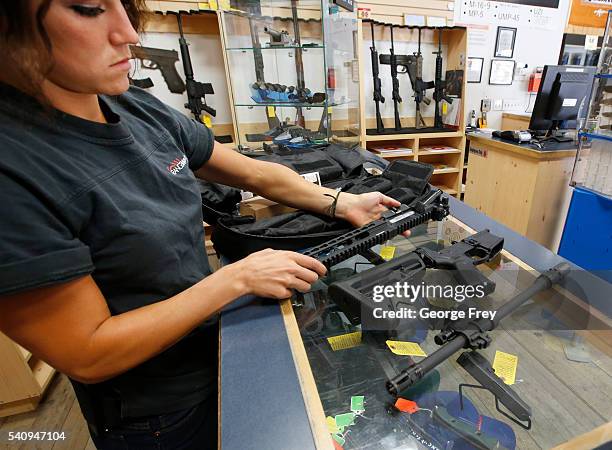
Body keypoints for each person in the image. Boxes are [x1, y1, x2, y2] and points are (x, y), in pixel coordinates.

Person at [0, 1, 405, 448]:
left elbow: (251, 172)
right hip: (156, 411)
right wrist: (235, 280)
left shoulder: (132, 106)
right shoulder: (13, 168)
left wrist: (340, 202)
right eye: (90, 9)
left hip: (215, 346)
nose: (129, 34)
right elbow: (87, 352)